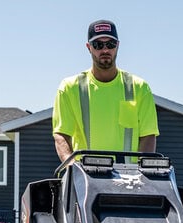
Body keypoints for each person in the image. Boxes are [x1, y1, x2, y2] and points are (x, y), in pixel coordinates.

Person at [52, 19, 159, 163]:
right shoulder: (69, 88)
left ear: (118, 46)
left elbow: (148, 135)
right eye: (98, 45)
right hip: (85, 179)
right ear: (89, 47)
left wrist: (144, 171)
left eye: (110, 44)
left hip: (130, 180)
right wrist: (71, 168)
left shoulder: (139, 88)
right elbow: (61, 135)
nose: (105, 50)